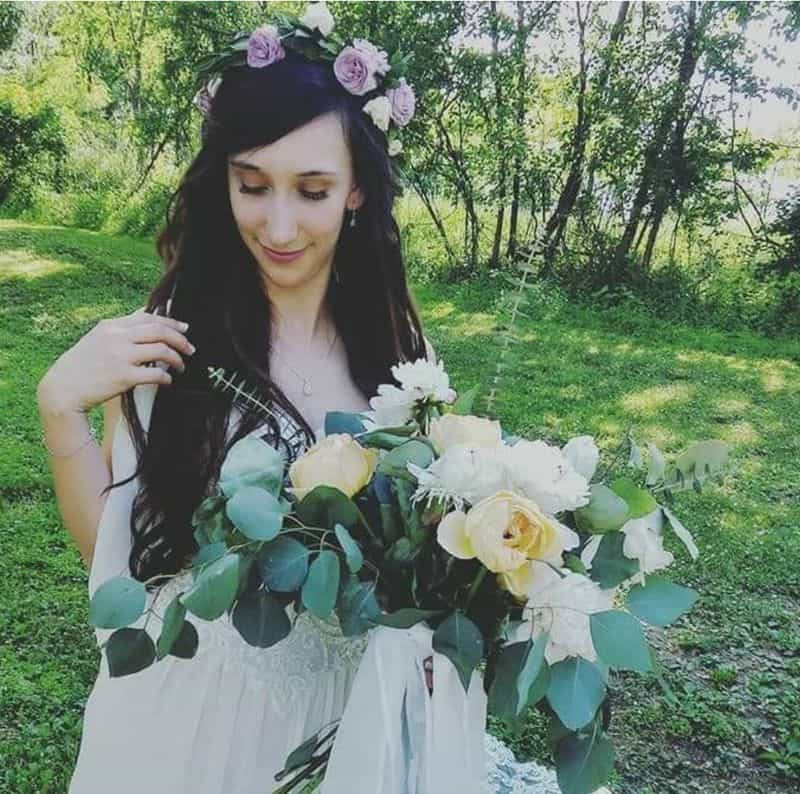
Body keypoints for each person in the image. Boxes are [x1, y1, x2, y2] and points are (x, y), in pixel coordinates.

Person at [37, 6, 564, 793]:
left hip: (342, 726)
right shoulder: (171, 344)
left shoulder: (403, 361)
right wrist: (58, 411)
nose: (278, 225)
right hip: (192, 719)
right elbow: (115, 559)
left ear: (356, 193)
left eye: (312, 191)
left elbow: (426, 553)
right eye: (252, 185)